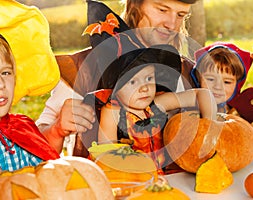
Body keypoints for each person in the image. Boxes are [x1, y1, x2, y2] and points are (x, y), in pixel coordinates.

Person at [36, 0, 199, 155]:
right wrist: (56, 130)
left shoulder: (187, 71)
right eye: (162, 10)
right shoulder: (81, 69)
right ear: (134, 4)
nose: (171, 25)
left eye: (181, 15)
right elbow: (35, 148)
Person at [92, 44, 216, 174]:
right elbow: (106, 154)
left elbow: (202, 94)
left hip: (166, 174)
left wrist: (210, 123)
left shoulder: (157, 103)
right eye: (133, 82)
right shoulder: (113, 112)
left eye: (149, 78)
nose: (145, 88)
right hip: (132, 177)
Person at [0, 35, 60, 172]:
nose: (1, 84)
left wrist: (58, 133)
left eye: (5, 73)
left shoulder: (22, 128)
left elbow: (51, 174)